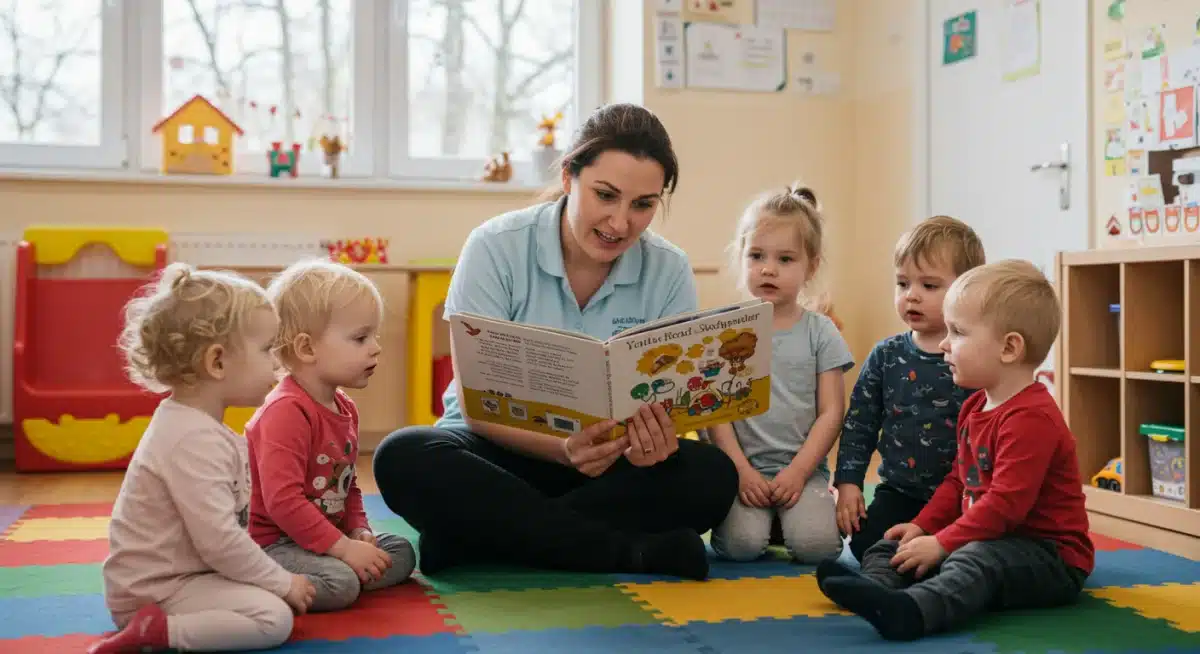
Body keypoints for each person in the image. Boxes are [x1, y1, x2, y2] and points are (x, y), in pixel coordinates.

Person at [372, 103, 738, 581]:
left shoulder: (668, 269)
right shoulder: (494, 246)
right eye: (605, 195)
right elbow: (475, 405)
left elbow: (668, 400)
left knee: (712, 476)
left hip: (611, 463)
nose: (620, 222)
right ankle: (630, 554)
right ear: (569, 177)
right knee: (402, 455)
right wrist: (562, 449)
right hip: (497, 451)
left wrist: (653, 441)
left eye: (643, 204)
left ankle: (480, 535)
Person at [817, 260, 1094, 641]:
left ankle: (914, 612)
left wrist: (944, 541)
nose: (944, 344)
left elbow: (1004, 506)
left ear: (1009, 348)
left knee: (972, 560)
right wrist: (923, 527)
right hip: (992, 537)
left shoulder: (1032, 419)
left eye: (958, 332)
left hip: (1049, 556)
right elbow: (957, 481)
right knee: (895, 542)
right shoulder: (975, 406)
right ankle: (877, 588)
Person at [90, 264, 314, 654]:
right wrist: (281, 581)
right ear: (217, 362)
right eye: (265, 350)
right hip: (156, 591)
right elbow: (220, 542)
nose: (276, 366)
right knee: (272, 619)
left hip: (186, 575)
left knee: (274, 597)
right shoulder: (191, 440)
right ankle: (158, 634)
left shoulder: (196, 427)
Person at [246, 260, 416, 612]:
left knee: (401, 551)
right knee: (342, 584)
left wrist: (359, 531)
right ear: (307, 348)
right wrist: (342, 549)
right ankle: (251, 582)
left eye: (375, 336)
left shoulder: (344, 408)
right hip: (275, 544)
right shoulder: (285, 412)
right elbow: (283, 503)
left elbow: (347, 485)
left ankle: (335, 570)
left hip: (326, 540)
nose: (376, 348)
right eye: (360, 338)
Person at [708, 184, 853, 564]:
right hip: (744, 472)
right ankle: (770, 521)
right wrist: (740, 471)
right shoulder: (727, 329)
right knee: (739, 548)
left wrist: (799, 472)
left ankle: (789, 518)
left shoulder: (821, 331)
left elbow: (831, 412)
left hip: (803, 472)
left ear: (812, 266)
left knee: (818, 549)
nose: (768, 268)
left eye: (785, 259)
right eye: (756, 255)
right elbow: (716, 412)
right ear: (741, 257)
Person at [833, 216, 985, 561]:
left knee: (973, 551)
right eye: (902, 284)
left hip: (963, 495)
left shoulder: (973, 359)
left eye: (929, 286)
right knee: (863, 543)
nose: (911, 296)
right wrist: (849, 482)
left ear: (966, 290)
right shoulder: (886, 356)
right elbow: (860, 424)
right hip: (900, 491)